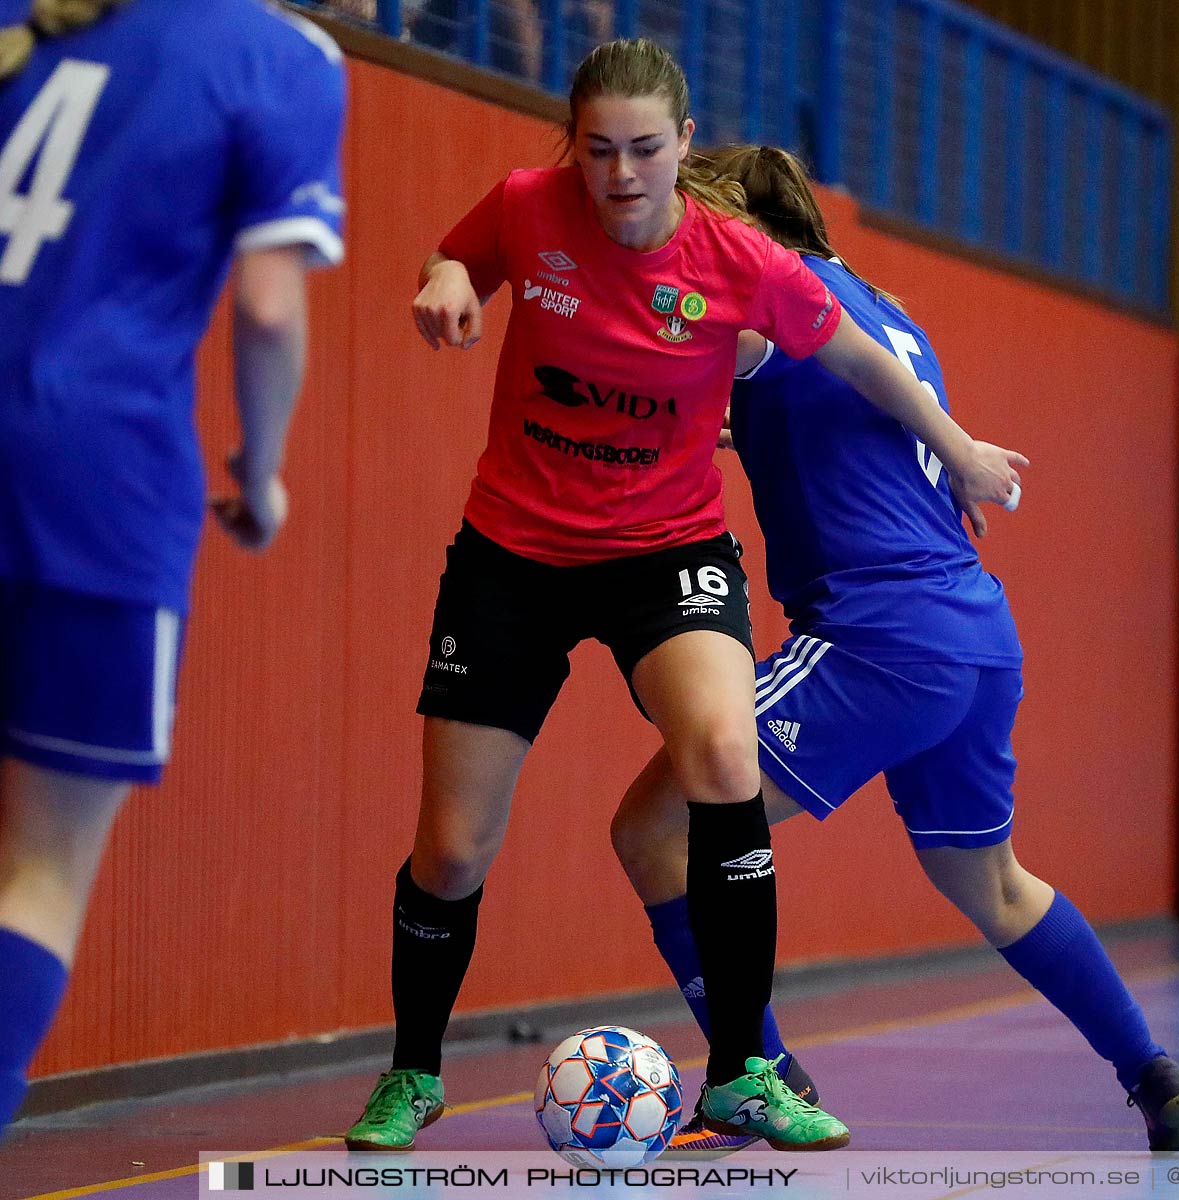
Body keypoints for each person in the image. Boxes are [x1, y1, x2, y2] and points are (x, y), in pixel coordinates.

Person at [342, 39, 1023, 1154]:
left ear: (684, 145)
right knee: (455, 849)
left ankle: (744, 1071)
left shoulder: (737, 260)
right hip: (513, 554)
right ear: (572, 145)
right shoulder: (527, 205)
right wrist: (446, 281)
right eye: (599, 150)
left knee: (722, 758)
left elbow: (858, 358)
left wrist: (956, 448)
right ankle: (411, 1072)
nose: (620, 175)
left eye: (645, 151)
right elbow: (457, 256)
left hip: (666, 550)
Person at [609, 145, 1179, 1155]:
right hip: (975, 634)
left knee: (655, 830)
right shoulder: (885, 309)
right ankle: (1153, 1075)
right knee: (992, 882)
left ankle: (757, 1077)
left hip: (877, 637)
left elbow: (694, 338)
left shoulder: (764, 297)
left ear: (740, 231)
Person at [0, 0, 346, 1130]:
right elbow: (266, 301)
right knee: (39, 874)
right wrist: (265, 463)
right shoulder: (275, 58)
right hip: (92, 482)